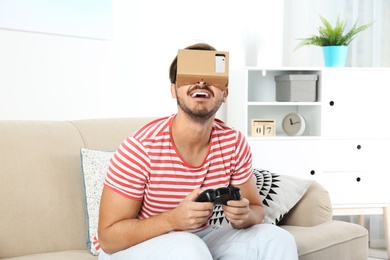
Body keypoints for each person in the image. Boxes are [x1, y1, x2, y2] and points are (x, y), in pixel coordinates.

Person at [97, 43, 298, 259]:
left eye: (212, 78)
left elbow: (257, 210)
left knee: (278, 238)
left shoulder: (233, 142)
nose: (201, 82)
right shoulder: (141, 147)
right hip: (136, 246)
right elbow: (108, 238)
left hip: (201, 236)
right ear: (173, 89)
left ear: (225, 93)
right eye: (190, 75)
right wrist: (173, 219)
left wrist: (245, 215)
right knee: (188, 246)